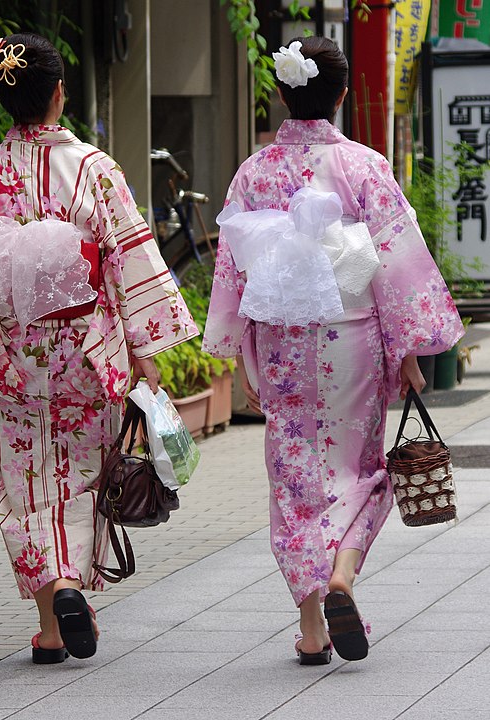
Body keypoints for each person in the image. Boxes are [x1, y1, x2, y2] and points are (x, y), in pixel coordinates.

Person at [0, 33, 197, 664]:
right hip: (86, 352)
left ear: (1, 99)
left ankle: (51, 612)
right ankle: (70, 589)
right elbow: (127, 259)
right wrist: (147, 353)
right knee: (82, 477)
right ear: (59, 93)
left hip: (15, 356)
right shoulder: (95, 169)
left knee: (27, 481)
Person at [203, 36, 464, 664]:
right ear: (341, 95)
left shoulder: (254, 171)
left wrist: (237, 349)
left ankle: (313, 627)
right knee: (360, 469)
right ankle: (343, 570)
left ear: (284, 94)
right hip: (353, 339)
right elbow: (394, 265)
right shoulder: (364, 167)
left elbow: (234, 268)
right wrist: (408, 351)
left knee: (295, 479)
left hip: (283, 341)